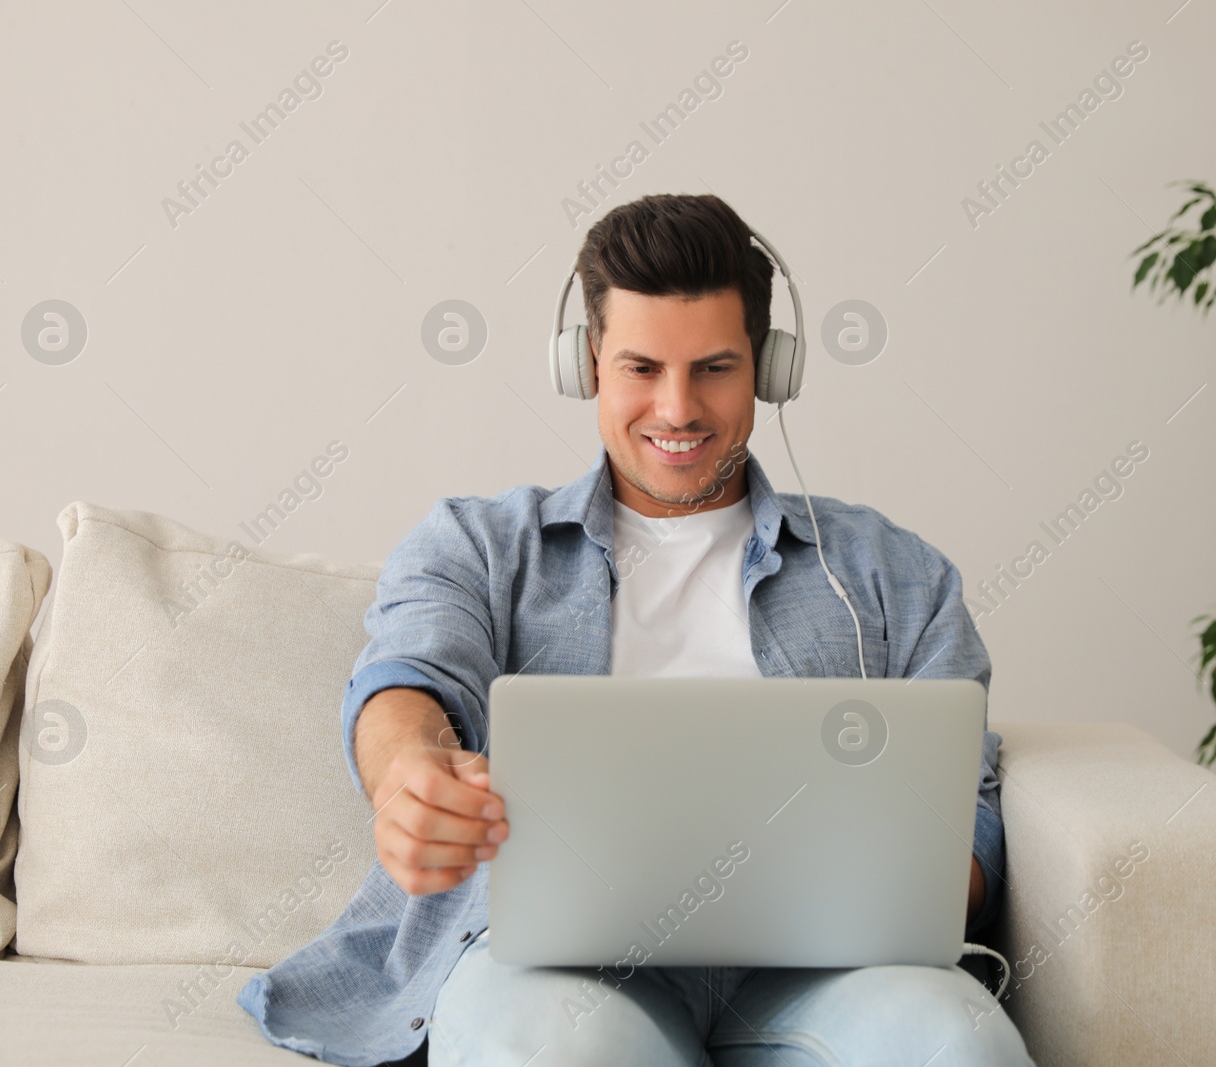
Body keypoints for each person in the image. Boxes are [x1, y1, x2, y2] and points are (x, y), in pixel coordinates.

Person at [238, 193, 1037, 1066]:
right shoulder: (481, 543)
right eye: (642, 367)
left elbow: (968, 814)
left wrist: (917, 877)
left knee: (954, 1047)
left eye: (716, 368)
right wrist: (407, 773)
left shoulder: (893, 574)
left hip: (833, 973)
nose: (678, 408)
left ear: (771, 369)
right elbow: (410, 675)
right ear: (586, 364)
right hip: (564, 973)